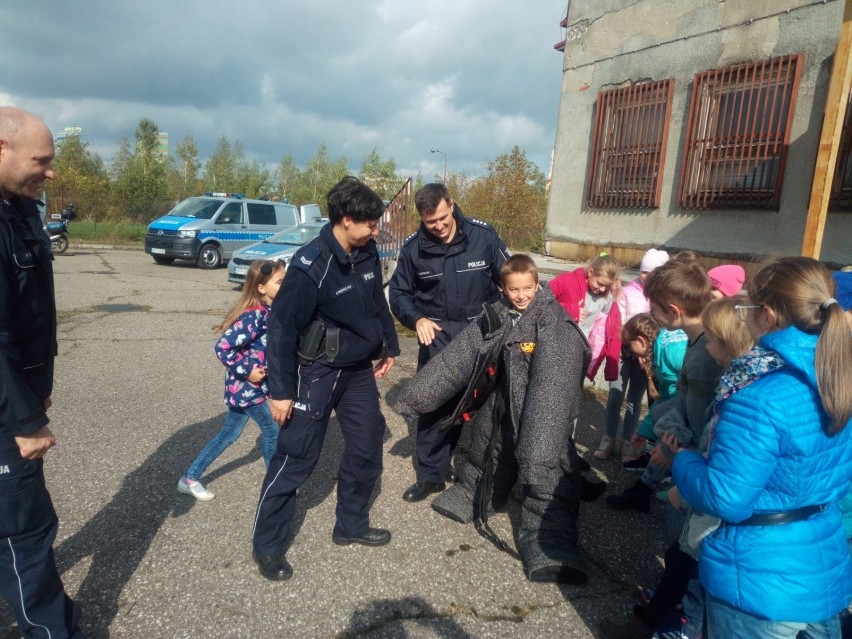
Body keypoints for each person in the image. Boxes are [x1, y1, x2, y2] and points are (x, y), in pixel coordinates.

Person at [671, 257, 852, 638]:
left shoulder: (757, 395)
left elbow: (725, 497)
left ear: (765, 316)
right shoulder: (837, 377)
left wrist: (683, 461)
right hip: (821, 564)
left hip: (758, 576)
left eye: (747, 307)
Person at [397, 255, 592, 583]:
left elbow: (553, 389)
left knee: (547, 470)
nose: (520, 295)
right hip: (500, 400)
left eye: (527, 288)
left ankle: (549, 540)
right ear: (503, 288)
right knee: (485, 445)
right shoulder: (498, 314)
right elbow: (459, 357)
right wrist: (415, 397)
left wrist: (537, 453)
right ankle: (478, 494)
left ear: (537, 284)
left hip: (543, 408)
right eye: (513, 289)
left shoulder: (555, 326)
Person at [251, 177, 400, 582]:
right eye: (370, 223)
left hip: (356, 372)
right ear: (347, 220)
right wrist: (279, 392)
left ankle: (350, 524)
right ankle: (267, 546)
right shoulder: (310, 265)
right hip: (314, 373)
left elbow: (375, 304)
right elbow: (280, 330)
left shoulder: (367, 252)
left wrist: (388, 346)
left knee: (368, 444)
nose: (376, 230)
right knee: (296, 459)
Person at [603, 296, 756, 639]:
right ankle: (664, 616)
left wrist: (683, 476)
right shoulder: (739, 380)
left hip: (711, 501)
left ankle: (682, 626)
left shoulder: (742, 393)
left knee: (692, 565)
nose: (705, 346)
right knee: (683, 559)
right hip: (707, 490)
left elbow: (719, 457)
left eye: (712, 340)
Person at [0, 106, 83, 637]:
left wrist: (40, 387)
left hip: (20, 394)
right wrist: (25, 419)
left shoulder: (22, 207)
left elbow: (32, 310)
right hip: (8, 413)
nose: (50, 172)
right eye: (42, 160)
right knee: (23, 530)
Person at [389, 183, 510, 503]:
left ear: (451, 205)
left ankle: (485, 471)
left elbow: (510, 279)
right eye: (432, 222)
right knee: (435, 404)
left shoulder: (483, 236)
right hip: (439, 335)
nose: (440, 226)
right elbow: (398, 294)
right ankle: (432, 474)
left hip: (481, 334)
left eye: (444, 217)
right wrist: (416, 319)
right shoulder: (414, 248)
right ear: (422, 219)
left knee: (484, 404)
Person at [606, 260, 721, 513]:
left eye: (654, 309)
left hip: (698, 465)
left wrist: (674, 451)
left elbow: (701, 422)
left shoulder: (701, 355)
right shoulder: (697, 340)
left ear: (673, 310)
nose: (652, 314)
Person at [177, 259, 285, 501]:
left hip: (247, 389)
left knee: (229, 434)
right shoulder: (254, 316)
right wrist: (248, 370)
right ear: (261, 287)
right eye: (280, 282)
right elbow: (223, 348)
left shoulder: (269, 311)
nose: (285, 285)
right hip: (246, 389)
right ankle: (275, 485)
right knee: (272, 430)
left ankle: (190, 478)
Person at [595, 249, 669, 462]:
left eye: (652, 272)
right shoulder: (628, 292)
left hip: (645, 357)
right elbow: (616, 320)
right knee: (615, 396)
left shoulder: (662, 296)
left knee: (635, 401)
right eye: (643, 271)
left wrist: (646, 352)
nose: (646, 276)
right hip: (623, 351)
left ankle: (628, 442)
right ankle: (608, 439)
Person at [549, 252, 622, 381]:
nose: (602, 289)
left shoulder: (606, 297)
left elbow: (606, 325)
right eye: (600, 283)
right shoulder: (567, 280)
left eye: (607, 286)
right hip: (555, 345)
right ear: (590, 272)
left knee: (573, 384)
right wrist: (570, 310)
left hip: (580, 349)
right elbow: (542, 301)